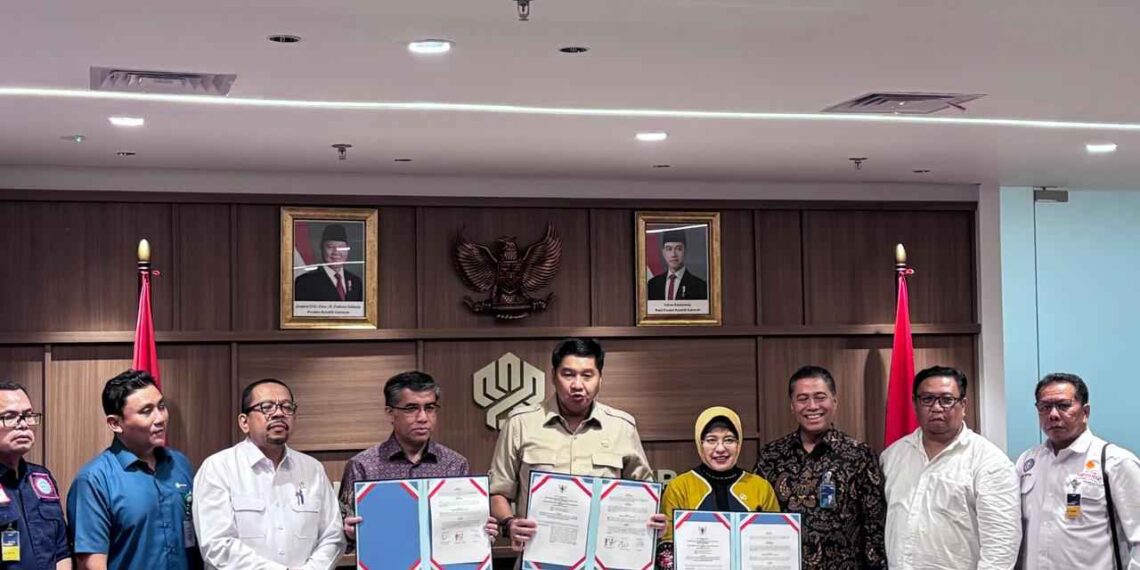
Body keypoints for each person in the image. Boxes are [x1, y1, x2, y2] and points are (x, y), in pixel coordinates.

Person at [488, 338, 665, 556]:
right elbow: (497, 492)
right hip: (540, 559)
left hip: (604, 559)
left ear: (600, 379)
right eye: (568, 374)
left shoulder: (622, 427)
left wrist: (653, 520)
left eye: (587, 375)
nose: (577, 385)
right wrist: (509, 523)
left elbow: (643, 495)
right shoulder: (520, 423)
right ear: (553, 376)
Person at [192, 378, 345, 569]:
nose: (279, 413)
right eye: (267, 407)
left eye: (287, 407)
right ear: (244, 422)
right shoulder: (218, 468)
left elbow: (333, 535)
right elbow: (216, 545)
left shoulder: (313, 469)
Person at [880, 365, 1020, 570]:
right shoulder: (893, 455)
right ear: (915, 403)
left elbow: (1002, 544)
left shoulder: (989, 461)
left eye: (946, 400)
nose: (936, 408)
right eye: (927, 399)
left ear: (963, 405)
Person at [338, 371, 497, 544]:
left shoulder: (455, 464)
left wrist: (481, 531)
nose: (422, 418)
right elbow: (341, 536)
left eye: (429, 408)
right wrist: (349, 533)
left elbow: (465, 523)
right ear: (390, 413)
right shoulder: (363, 465)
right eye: (411, 408)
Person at [67, 369, 202, 570]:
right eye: (146, 411)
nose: (160, 418)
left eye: (161, 406)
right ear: (115, 423)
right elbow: (91, 564)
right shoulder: (94, 479)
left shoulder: (179, 464)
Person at [754, 366, 887, 570]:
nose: (812, 406)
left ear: (834, 402)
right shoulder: (771, 456)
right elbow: (757, 523)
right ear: (792, 405)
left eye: (820, 397)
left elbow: (874, 528)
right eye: (803, 399)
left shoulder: (859, 455)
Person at [1016, 372, 1140, 570]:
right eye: (1045, 407)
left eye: (1064, 405)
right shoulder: (1027, 462)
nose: (1053, 415)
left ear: (1085, 411)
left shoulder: (1115, 462)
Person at [656, 406, 779, 570]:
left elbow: (775, 543)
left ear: (739, 443)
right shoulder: (679, 487)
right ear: (700, 443)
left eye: (729, 440)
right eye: (711, 440)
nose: (720, 448)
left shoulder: (760, 487)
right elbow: (667, 548)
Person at [0, 382, 71, 569]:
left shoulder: (41, 477)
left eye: (28, 416)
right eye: (9, 417)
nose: (23, 425)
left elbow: (61, 550)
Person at [293, 224, 364, 302]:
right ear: (321, 248)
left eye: (341, 247)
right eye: (330, 247)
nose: (336, 252)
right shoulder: (305, 282)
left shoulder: (356, 282)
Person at [647, 230, 708, 301]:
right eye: (669, 249)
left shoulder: (700, 286)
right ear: (663, 252)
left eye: (678, 249)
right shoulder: (652, 284)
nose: (673, 254)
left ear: (685, 250)